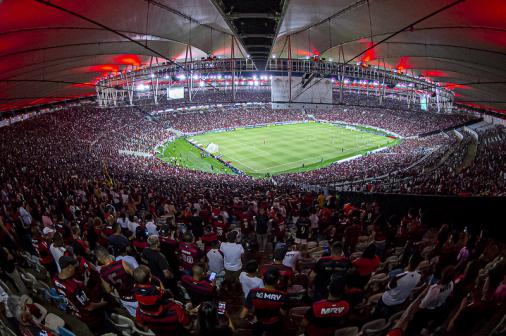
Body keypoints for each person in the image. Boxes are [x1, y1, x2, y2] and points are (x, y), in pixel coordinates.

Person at [53, 256, 108, 334]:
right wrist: (102, 303)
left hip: (79, 314)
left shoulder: (55, 279)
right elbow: (90, 307)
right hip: (92, 317)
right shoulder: (74, 288)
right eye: (74, 267)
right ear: (69, 267)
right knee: (104, 331)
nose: (75, 269)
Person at [133, 265, 191, 335]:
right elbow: (187, 324)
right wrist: (159, 281)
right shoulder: (174, 308)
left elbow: (140, 324)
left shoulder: (140, 309)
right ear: (150, 279)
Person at [240, 268, 288, 336]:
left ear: (263, 279)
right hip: (275, 325)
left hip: (258, 323)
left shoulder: (253, 292)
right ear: (278, 281)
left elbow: (242, 315)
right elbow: (284, 313)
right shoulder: (283, 295)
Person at [376, 254, 423, 318]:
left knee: (377, 312)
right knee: (388, 316)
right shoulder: (419, 276)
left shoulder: (399, 275)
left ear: (409, 261)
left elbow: (387, 288)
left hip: (387, 300)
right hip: (400, 301)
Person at [95, 246, 138, 317]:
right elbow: (136, 276)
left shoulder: (102, 273)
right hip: (136, 294)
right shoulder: (122, 263)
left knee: (136, 316)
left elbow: (108, 290)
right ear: (108, 253)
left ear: (99, 258)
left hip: (125, 298)